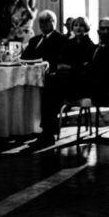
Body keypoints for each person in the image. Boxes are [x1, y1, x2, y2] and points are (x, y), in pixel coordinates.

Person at [21, 10, 69, 145]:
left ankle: (47, 134)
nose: (43, 24)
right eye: (41, 22)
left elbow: (60, 61)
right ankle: (25, 127)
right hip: (32, 77)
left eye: (47, 21)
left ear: (54, 22)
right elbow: (24, 58)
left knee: (49, 92)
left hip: (52, 78)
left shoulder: (62, 40)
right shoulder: (34, 40)